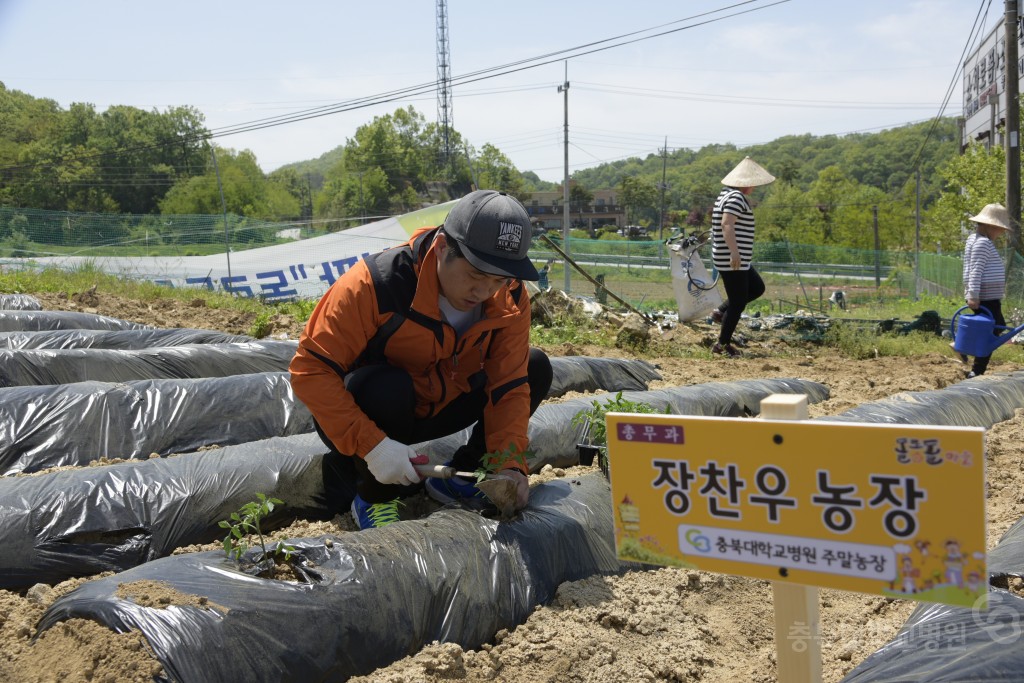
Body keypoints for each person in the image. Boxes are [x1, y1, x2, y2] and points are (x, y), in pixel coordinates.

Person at [289, 189, 553, 529]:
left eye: (498, 279)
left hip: (441, 403)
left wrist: (510, 463)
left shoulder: (511, 296)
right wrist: (375, 447)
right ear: (443, 248)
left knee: (534, 367)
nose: (484, 291)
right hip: (371, 411)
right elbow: (310, 369)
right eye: (475, 275)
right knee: (387, 386)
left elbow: (509, 385)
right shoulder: (378, 283)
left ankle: (465, 476)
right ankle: (373, 496)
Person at [707, 156, 775, 357]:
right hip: (733, 257)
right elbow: (727, 224)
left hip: (737, 257)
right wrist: (735, 252)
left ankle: (720, 312)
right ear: (747, 184)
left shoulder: (726, 195)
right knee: (738, 303)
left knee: (756, 288)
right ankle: (722, 345)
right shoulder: (736, 198)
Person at [961, 202, 1013, 378]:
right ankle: (976, 368)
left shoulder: (974, 239)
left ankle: (962, 346)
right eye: (1000, 229)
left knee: (990, 328)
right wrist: (973, 295)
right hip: (985, 297)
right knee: (994, 328)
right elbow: (975, 269)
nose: (1002, 232)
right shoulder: (983, 243)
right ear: (990, 226)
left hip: (984, 295)